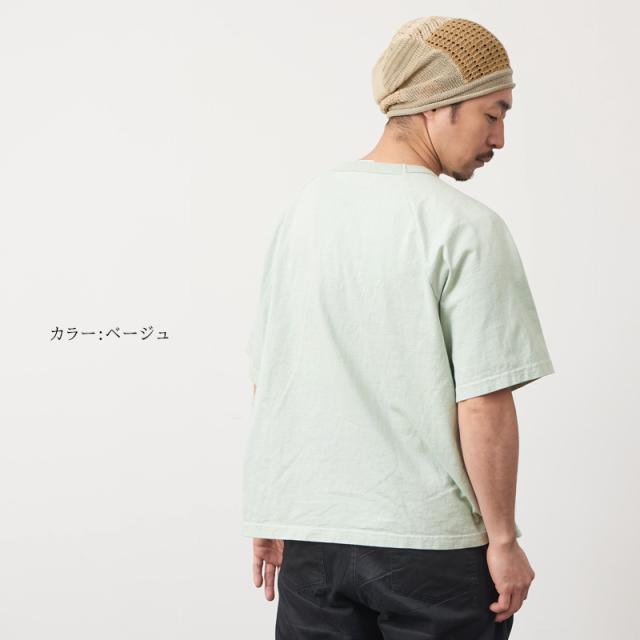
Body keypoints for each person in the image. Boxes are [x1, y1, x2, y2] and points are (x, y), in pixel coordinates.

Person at [242, 15, 555, 639]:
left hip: (314, 538)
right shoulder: (465, 227)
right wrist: (502, 540)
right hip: (431, 549)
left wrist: (274, 509)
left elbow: (272, 375)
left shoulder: (304, 209)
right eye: (492, 113)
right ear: (437, 104)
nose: (499, 138)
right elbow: (483, 402)